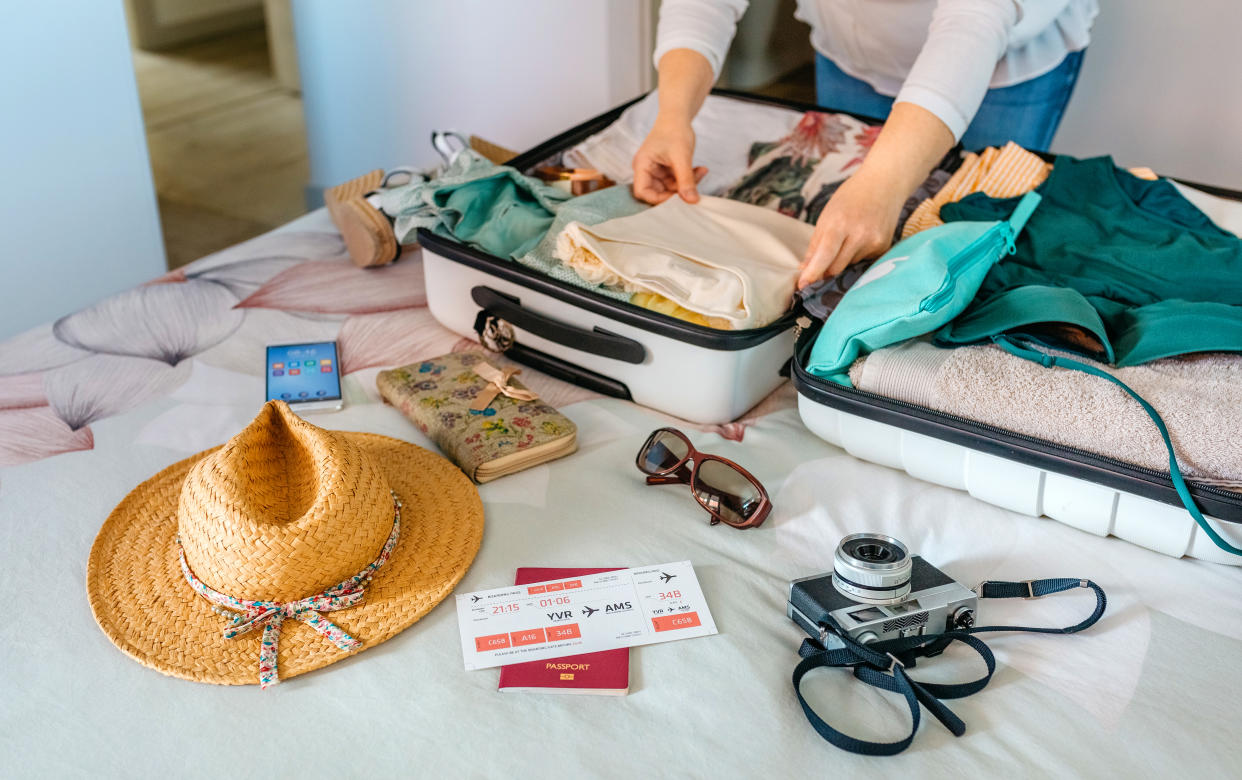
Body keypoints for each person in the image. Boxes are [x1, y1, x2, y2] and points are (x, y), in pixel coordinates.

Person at [632, 0, 1096, 288]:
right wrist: (672, 116)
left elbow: (975, 18)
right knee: (853, 232)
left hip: (1001, 61)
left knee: (976, 245)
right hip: (852, 46)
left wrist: (882, 183)